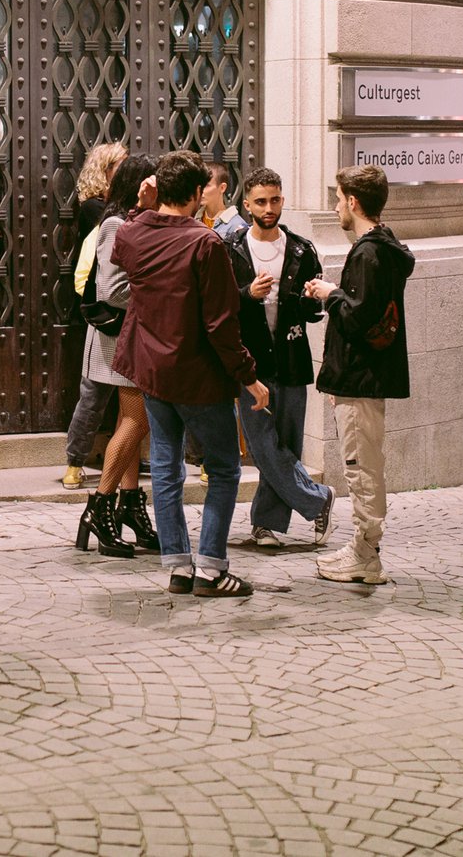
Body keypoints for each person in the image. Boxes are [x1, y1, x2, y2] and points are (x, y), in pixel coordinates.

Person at [114, 149, 268, 597]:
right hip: (198, 376)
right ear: (199, 194)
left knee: (165, 467)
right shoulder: (204, 243)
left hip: (153, 373)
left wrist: (141, 206)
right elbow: (221, 324)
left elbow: (126, 236)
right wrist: (249, 376)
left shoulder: (133, 233)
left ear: (159, 189)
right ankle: (212, 569)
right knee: (222, 469)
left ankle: (179, 566)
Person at [304, 163, 414, 585]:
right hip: (363, 376)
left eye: (337, 198)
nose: (335, 207)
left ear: (353, 201)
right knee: (362, 461)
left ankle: (366, 554)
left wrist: (331, 294)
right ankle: (362, 548)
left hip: (361, 375)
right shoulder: (380, 248)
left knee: (361, 465)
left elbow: (359, 317)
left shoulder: (368, 252)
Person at [221, 169, 334, 548]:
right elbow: (219, 306)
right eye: (261, 202)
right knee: (261, 444)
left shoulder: (302, 249)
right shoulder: (232, 248)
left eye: (275, 200)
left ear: (282, 200)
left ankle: (266, 524)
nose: (269, 208)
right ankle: (318, 498)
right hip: (249, 363)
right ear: (246, 205)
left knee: (287, 442)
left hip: (291, 358)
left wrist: (310, 298)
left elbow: (315, 312)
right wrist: (246, 293)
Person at [74, 154, 160, 557]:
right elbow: (112, 290)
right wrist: (160, 296)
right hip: (117, 339)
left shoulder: (134, 221)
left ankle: (129, 506)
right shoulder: (114, 224)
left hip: (131, 337)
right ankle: (100, 505)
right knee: (136, 419)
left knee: (132, 420)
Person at [61, 141, 131, 490]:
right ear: (105, 170)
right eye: (121, 164)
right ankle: (75, 461)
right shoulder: (96, 208)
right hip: (105, 312)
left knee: (133, 399)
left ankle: (131, 459)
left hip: (129, 315)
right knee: (94, 392)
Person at [201, 161, 244, 236]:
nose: (200, 190)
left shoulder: (236, 225)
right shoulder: (195, 219)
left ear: (222, 188)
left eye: (206, 185)